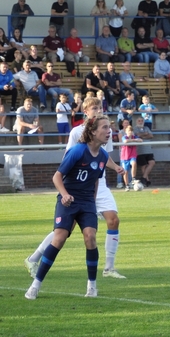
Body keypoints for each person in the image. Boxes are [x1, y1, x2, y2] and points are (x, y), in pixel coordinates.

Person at [24, 114, 111, 300]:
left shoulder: (104, 155)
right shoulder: (78, 151)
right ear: (93, 131)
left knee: (91, 237)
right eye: (104, 127)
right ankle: (35, 285)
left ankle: (92, 287)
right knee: (59, 238)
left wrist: (92, 203)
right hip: (68, 199)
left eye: (109, 127)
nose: (109, 131)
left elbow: (95, 180)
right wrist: (64, 195)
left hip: (87, 202)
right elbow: (57, 176)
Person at [133, 117, 155, 186]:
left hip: (148, 149)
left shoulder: (146, 128)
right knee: (143, 166)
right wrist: (145, 134)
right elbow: (137, 135)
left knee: (152, 162)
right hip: (140, 150)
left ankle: (143, 177)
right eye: (139, 121)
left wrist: (142, 136)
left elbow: (151, 136)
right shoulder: (135, 128)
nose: (140, 122)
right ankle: (147, 181)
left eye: (141, 121)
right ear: (137, 122)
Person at [121, 125, 141, 191]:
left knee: (134, 163)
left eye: (131, 131)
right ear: (126, 131)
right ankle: (127, 185)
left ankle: (133, 178)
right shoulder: (124, 137)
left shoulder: (134, 136)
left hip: (132, 155)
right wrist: (133, 140)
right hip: (125, 156)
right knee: (125, 172)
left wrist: (134, 140)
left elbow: (140, 140)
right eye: (129, 131)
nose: (130, 132)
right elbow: (125, 141)